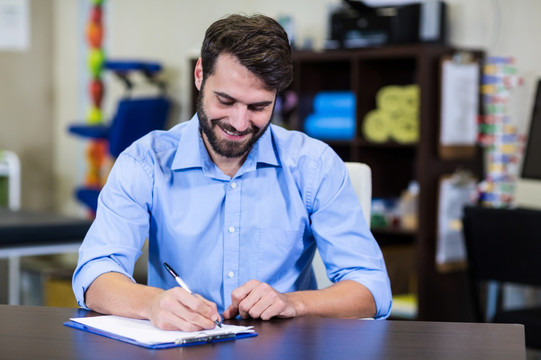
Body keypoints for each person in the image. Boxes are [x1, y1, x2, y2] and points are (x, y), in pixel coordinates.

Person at [73, 13, 392, 331]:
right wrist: (151, 303)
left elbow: (372, 287)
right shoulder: (145, 162)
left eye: (258, 107)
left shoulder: (314, 165)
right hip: (180, 348)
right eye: (225, 100)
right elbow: (94, 274)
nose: (239, 123)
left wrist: (293, 303)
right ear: (199, 75)